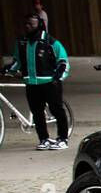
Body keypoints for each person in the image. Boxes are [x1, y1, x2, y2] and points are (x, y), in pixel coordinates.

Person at [9, 13, 70, 150]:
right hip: (31, 84)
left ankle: (63, 139)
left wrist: (57, 77)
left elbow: (63, 61)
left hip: (50, 83)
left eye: (31, 24)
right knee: (37, 112)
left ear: (40, 25)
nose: (27, 26)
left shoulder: (51, 42)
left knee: (57, 110)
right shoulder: (21, 43)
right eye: (26, 24)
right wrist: (8, 70)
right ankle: (44, 139)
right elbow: (17, 61)